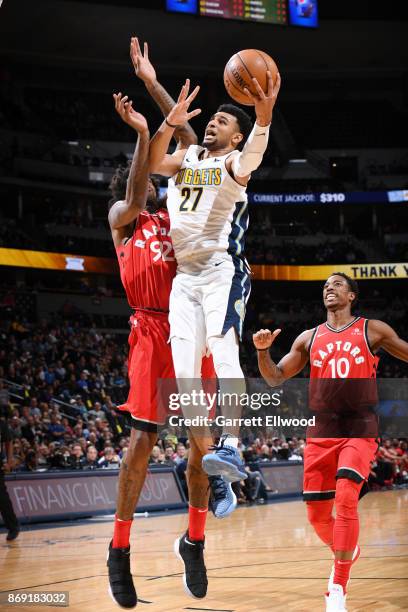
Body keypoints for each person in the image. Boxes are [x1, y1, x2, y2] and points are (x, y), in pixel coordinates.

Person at [106, 38, 216, 609]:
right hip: (151, 333)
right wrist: (145, 132)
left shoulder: (179, 214)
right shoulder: (123, 220)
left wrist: (154, 86)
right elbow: (134, 182)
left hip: (191, 327)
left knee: (202, 447)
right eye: (146, 173)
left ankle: (194, 539)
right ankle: (119, 549)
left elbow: (195, 146)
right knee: (141, 446)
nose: (152, 178)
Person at [148, 61, 281, 517]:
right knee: (184, 379)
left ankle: (231, 445)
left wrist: (263, 117)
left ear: (236, 136)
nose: (212, 124)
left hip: (222, 271)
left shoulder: (232, 163)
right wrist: (170, 119)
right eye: (210, 119)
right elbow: (153, 162)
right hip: (184, 280)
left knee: (225, 355)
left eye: (222, 121)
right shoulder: (186, 160)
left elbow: (255, 157)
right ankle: (215, 470)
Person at [253, 273, 408, 611]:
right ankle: (347, 551)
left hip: (359, 424)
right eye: (325, 285)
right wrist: (263, 353)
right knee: (316, 515)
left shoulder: (373, 330)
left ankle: (337, 587)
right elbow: (275, 378)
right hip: (321, 429)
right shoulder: (309, 338)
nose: (329, 288)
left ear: (351, 295)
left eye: (337, 284)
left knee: (347, 497)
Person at [0, 412, 20, 541]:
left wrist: (9, 461)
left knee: (2, 497)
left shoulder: (1, 424)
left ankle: (13, 527)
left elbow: (9, 441)